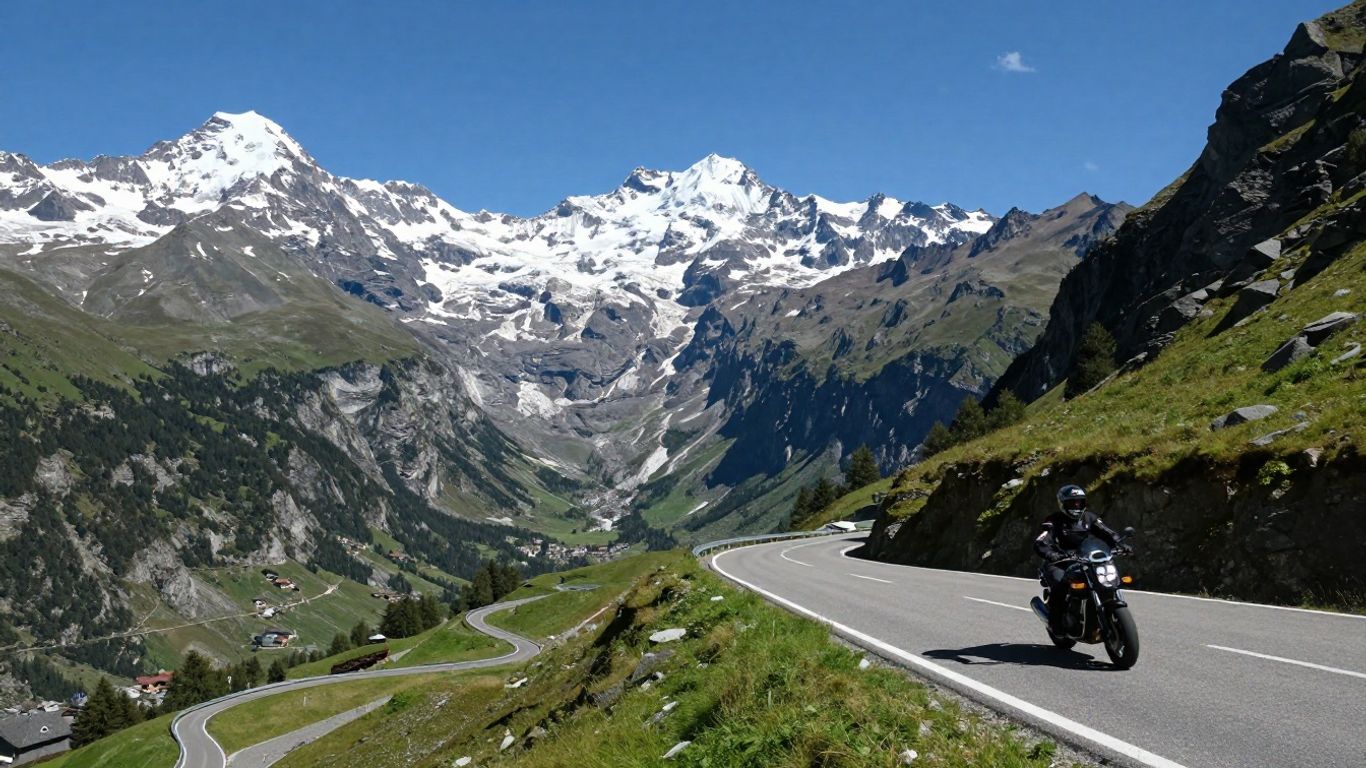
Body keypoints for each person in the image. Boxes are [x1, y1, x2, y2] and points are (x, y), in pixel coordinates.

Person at [1033, 485, 1126, 635]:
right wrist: (1051, 554)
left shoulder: (1090, 518)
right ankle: (1055, 623)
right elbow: (1041, 540)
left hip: (1085, 558)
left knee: (1107, 578)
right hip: (1060, 561)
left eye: (1079, 502)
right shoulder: (1054, 520)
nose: (1076, 506)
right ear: (1062, 504)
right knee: (1060, 584)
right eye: (1072, 503)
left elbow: (1107, 532)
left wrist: (1119, 543)